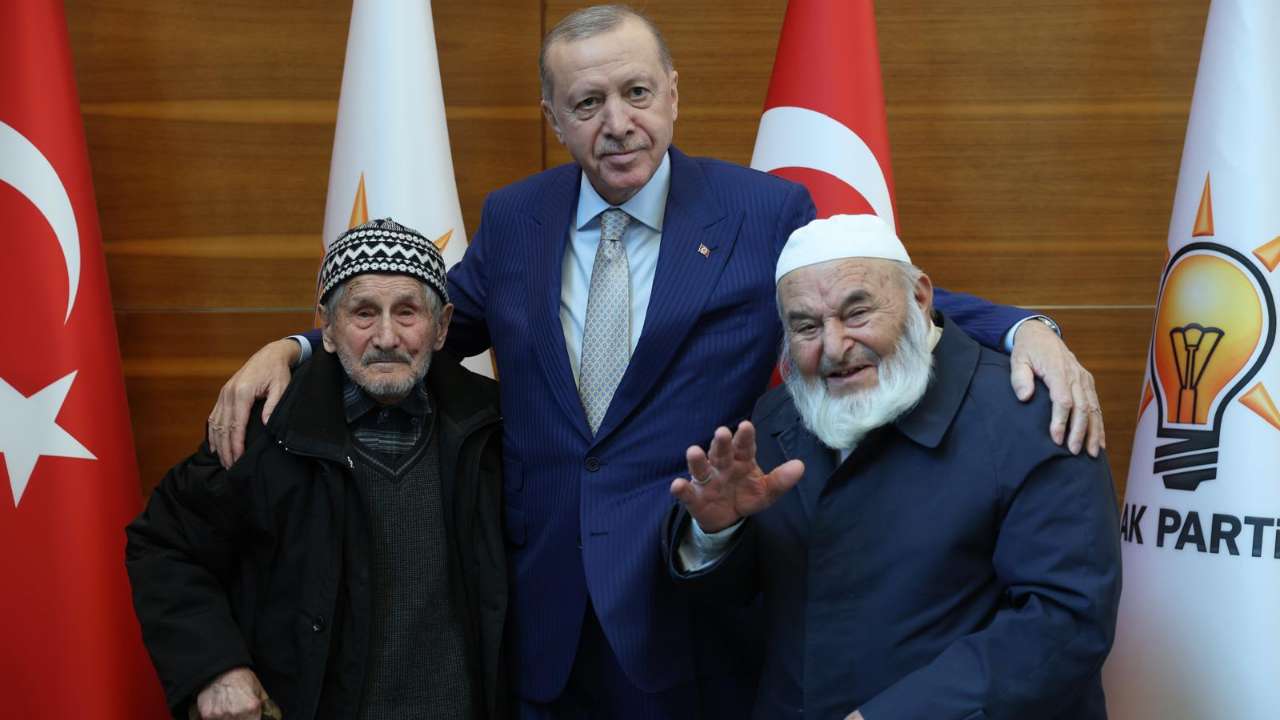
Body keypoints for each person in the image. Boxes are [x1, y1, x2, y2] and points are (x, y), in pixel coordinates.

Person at [205, 5, 1104, 717]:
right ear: (555, 119)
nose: (618, 123)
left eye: (637, 92)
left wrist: (1024, 326)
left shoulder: (761, 211)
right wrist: (298, 345)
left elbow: (866, 293)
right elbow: (422, 322)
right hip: (542, 603)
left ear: (673, 92)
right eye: (588, 104)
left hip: (688, 604)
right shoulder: (516, 218)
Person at [667, 214, 1122, 719]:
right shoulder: (778, 418)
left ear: (920, 298)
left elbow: (1066, 623)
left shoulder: (1030, 414)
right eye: (806, 326)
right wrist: (719, 534)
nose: (834, 348)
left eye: (857, 313)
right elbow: (746, 610)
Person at [126, 219, 507, 720]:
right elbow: (165, 544)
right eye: (363, 313)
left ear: (441, 327)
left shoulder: (493, 429)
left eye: (407, 312)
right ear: (326, 327)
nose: (386, 336)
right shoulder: (270, 430)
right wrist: (215, 669)